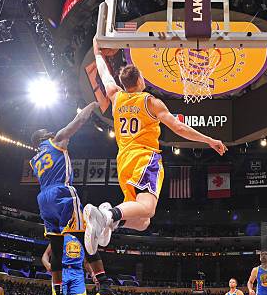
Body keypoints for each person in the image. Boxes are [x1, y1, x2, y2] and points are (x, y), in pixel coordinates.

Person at [83, 37, 228, 253]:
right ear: (140, 81)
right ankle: (107, 215)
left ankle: (111, 220)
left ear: (125, 83)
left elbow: (103, 72)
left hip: (124, 162)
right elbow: (179, 128)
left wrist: (96, 48)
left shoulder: (115, 96)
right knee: (148, 210)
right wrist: (210, 140)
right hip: (144, 158)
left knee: (142, 222)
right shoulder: (150, 102)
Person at [30, 101, 126, 295]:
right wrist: (93, 104)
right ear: (44, 137)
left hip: (43, 200)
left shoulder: (34, 159)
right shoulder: (55, 142)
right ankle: (104, 287)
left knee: (56, 249)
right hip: (61, 193)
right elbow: (78, 121)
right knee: (87, 236)